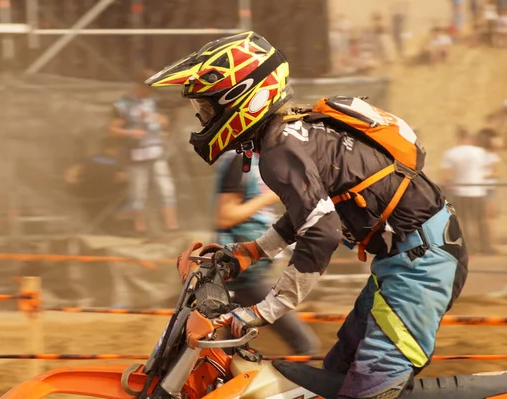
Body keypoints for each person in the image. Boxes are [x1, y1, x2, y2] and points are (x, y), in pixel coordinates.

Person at [146, 31, 468, 399]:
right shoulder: (294, 132)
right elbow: (314, 213)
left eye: (206, 108)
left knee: (369, 390)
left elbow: (322, 233)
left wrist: (263, 311)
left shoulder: (281, 150)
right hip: (411, 258)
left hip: (421, 266)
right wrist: (254, 251)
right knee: (333, 379)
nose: (202, 119)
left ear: (241, 100)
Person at [214, 151, 320, 356]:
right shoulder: (241, 160)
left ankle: (210, 385)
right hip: (246, 274)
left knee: (229, 350)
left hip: (251, 271)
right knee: (306, 346)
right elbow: (225, 216)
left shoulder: (263, 163)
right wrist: (270, 197)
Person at [109, 69, 179, 235]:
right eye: (147, 88)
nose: (149, 92)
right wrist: (131, 133)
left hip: (156, 151)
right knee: (138, 193)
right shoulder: (124, 105)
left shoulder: (155, 101)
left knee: (166, 189)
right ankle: (140, 228)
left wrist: (161, 121)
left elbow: (165, 121)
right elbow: (112, 130)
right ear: (139, 86)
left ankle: (172, 226)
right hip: (136, 154)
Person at [440, 126, 490, 254]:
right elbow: (487, 170)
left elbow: (447, 174)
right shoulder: (480, 152)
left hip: (460, 191)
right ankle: (485, 246)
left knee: (465, 220)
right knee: (481, 219)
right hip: (478, 190)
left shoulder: (451, 153)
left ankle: (470, 247)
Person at [477, 127, 503, 252]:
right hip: (481, 189)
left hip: (487, 189)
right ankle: (486, 244)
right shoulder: (479, 154)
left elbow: (497, 173)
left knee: (489, 218)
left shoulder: (492, 156)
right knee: (485, 218)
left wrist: (481, 174)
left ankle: (491, 244)